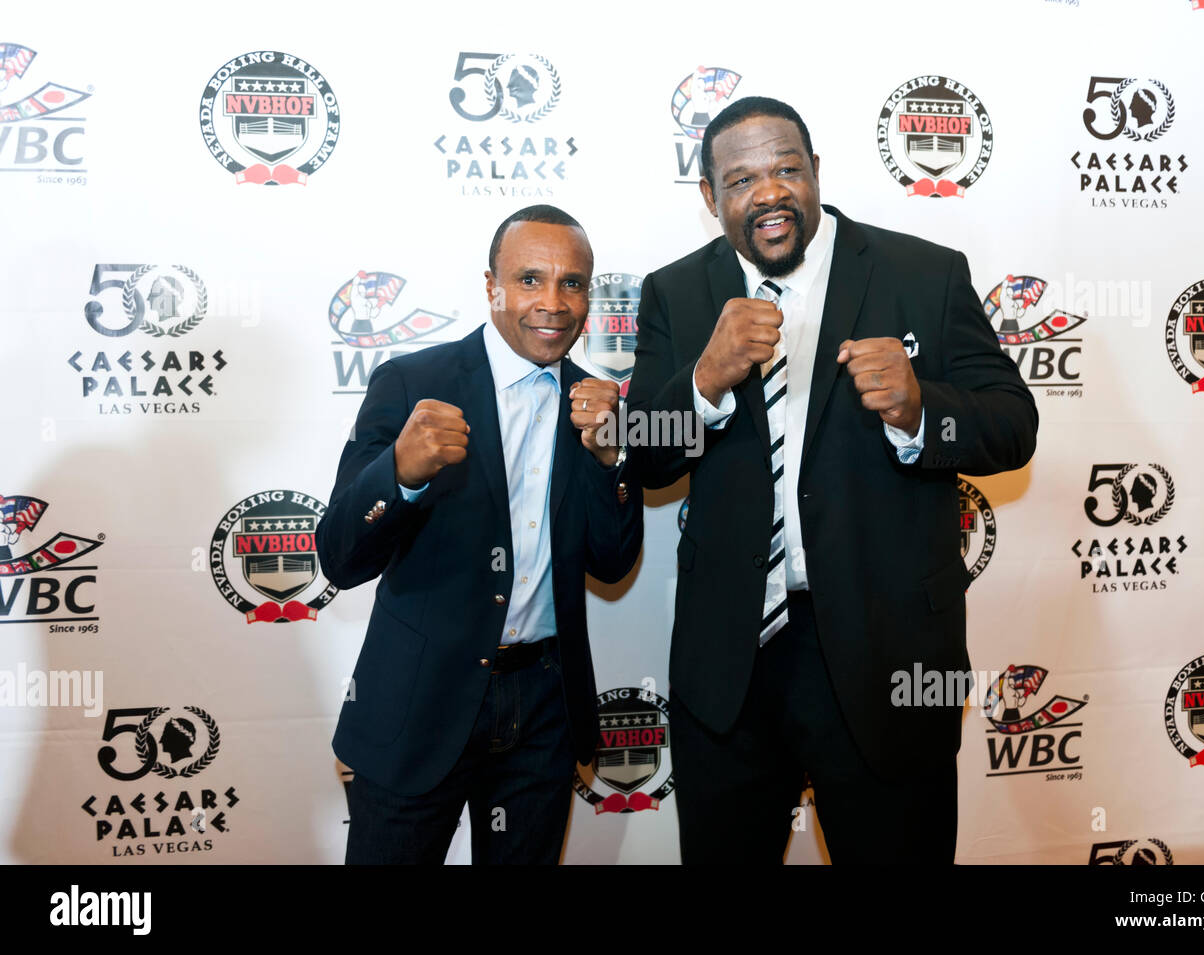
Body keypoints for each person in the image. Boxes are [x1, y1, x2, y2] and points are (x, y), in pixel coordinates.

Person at [626, 97, 1037, 863]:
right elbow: (646, 458)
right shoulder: (675, 293)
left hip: (892, 655)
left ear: (816, 172)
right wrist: (705, 380)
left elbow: (1013, 426)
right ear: (711, 199)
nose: (770, 192)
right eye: (742, 179)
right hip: (731, 668)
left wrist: (921, 409)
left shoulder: (924, 273)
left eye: (787, 168)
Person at [318, 204, 643, 865]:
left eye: (572, 283)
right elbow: (340, 556)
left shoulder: (598, 402)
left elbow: (612, 564)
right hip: (419, 701)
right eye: (530, 279)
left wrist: (613, 462)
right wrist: (399, 475)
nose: (552, 302)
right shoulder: (414, 382)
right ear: (491, 285)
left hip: (544, 710)